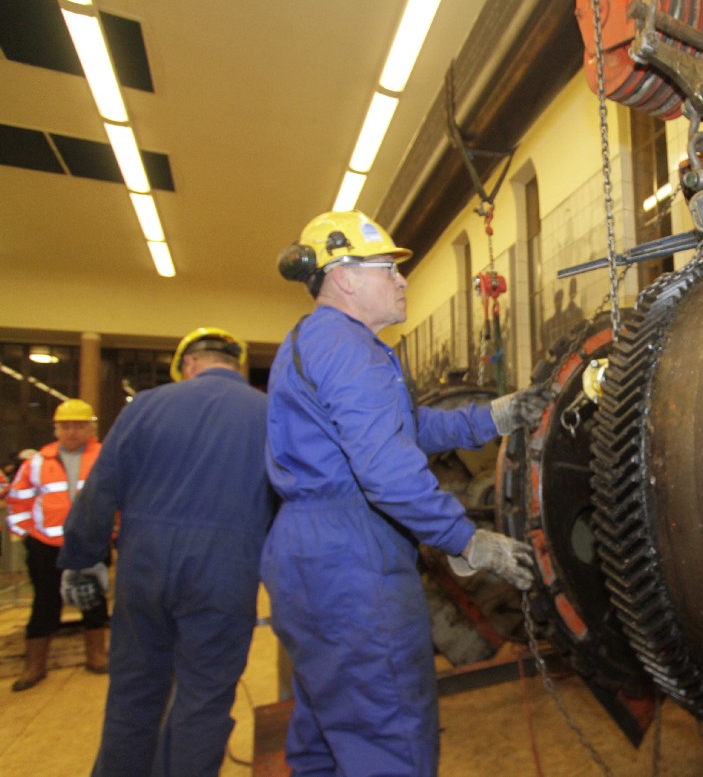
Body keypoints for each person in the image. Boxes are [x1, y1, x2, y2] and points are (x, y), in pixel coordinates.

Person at [267, 210, 549, 774]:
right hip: (351, 559)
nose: (401, 280)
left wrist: (496, 415)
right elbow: (385, 468)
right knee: (389, 732)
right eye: (387, 269)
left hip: (307, 556)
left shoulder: (316, 340)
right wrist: (467, 540)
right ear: (345, 276)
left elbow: (407, 428)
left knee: (326, 725)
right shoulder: (348, 348)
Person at [58, 327, 275, 776]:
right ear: (235, 364)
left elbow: (102, 487)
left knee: (133, 692)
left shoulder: (146, 406)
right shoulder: (269, 413)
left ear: (188, 364)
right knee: (204, 698)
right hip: (225, 571)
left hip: (145, 566)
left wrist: (82, 560)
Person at [5, 398, 109, 690]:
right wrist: (26, 534)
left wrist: (114, 531)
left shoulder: (105, 459)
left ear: (91, 429)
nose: (72, 432)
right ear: (56, 429)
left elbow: (118, 498)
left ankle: (96, 655)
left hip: (89, 543)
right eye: (66, 426)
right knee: (45, 602)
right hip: (45, 545)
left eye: (78, 426)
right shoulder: (37, 463)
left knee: (93, 599)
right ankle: (34, 666)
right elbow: (19, 500)